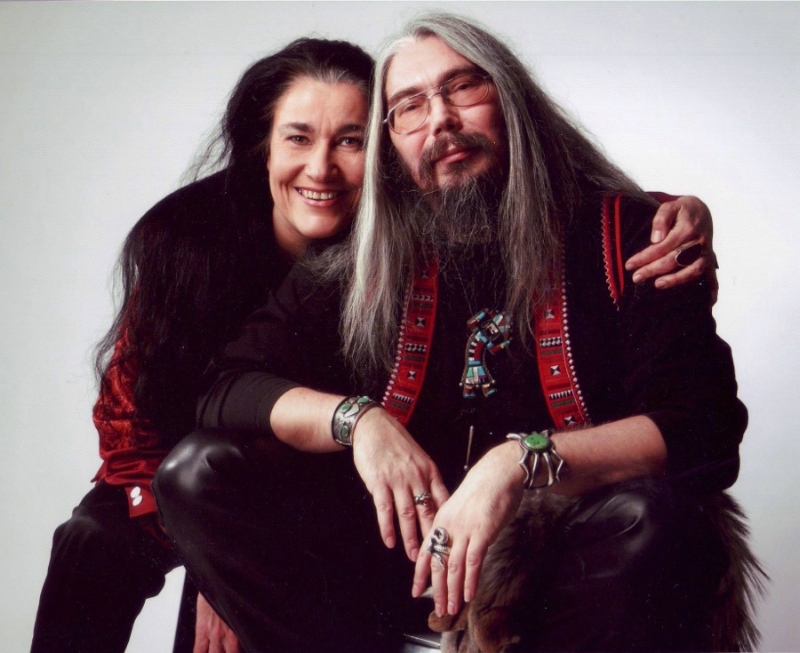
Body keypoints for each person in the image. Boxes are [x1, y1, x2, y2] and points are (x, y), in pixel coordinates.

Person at [154, 12, 746, 653]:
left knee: (653, 521)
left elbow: (703, 427)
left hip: (561, 566)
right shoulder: (365, 256)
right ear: (391, 143)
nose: (439, 119)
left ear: (511, 99)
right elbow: (228, 385)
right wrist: (361, 422)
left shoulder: (632, 235)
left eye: (463, 87)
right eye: (409, 106)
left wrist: (516, 464)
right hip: (393, 566)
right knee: (197, 472)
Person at [30, 38, 374, 653]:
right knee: (92, 539)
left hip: (312, 494)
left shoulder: (393, 258)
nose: (321, 168)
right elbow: (128, 412)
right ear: (262, 145)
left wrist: (228, 562)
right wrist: (204, 553)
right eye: (298, 138)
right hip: (176, 472)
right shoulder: (184, 239)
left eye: (350, 141)